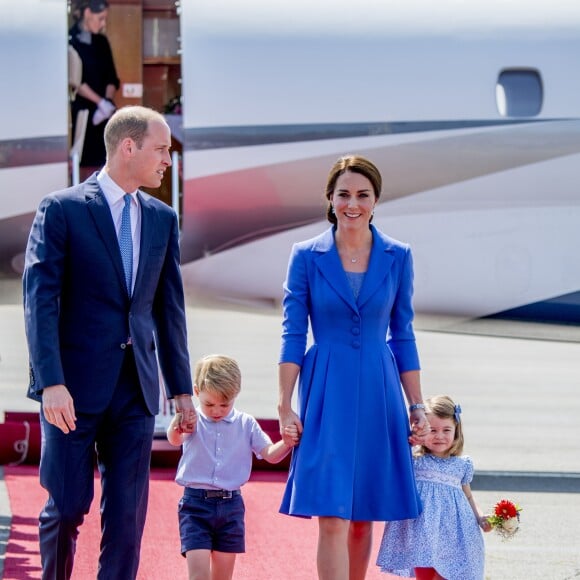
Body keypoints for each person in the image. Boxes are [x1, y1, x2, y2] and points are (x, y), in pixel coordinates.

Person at [23, 105, 196, 580]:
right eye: (161, 149)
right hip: (71, 391)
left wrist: (181, 390)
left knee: (126, 520)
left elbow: (169, 310)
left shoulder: (162, 219)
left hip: (135, 392)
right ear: (128, 147)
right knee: (65, 508)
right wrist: (50, 382)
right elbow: (40, 303)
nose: (167, 159)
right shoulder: (62, 209)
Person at [277, 154, 430, 580]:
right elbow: (292, 333)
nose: (353, 203)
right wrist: (285, 404)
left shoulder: (398, 256)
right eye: (344, 194)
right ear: (330, 198)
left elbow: (403, 334)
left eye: (363, 195)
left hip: (379, 390)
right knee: (331, 512)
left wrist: (417, 405)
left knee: (364, 514)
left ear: (376, 200)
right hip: (325, 387)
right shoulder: (306, 256)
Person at [167, 354, 299, 580]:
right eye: (209, 404)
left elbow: (269, 455)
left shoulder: (245, 423)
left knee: (222, 576)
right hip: (195, 505)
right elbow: (175, 440)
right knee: (198, 575)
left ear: (236, 394)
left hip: (231, 507)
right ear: (197, 393)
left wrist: (286, 443)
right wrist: (178, 426)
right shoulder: (192, 419)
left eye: (224, 405)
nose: (217, 410)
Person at [376, 395, 492, 580]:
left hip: (455, 535)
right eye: (433, 430)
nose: (439, 436)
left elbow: (468, 496)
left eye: (446, 430)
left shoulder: (462, 465)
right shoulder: (414, 461)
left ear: (456, 431)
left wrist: (480, 517)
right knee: (426, 575)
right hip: (423, 533)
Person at [69, 0, 120, 178]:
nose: (103, 23)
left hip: (104, 115)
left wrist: (106, 103)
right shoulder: (70, 40)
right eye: (101, 18)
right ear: (88, 12)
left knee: (106, 164)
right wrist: (99, 103)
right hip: (83, 114)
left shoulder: (102, 42)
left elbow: (111, 77)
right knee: (82, 165)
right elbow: (75, 80)